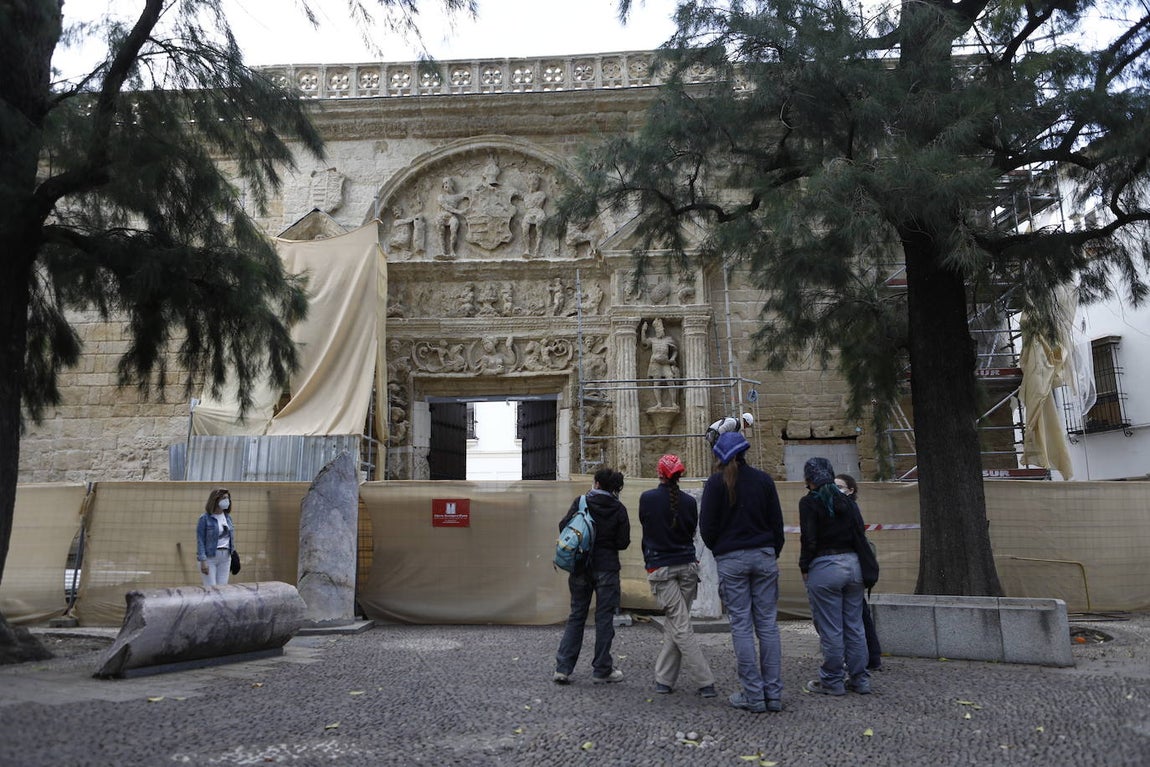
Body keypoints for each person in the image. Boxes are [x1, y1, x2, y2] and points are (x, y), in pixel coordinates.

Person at [700, 432, 786, 713]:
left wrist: (721, 550)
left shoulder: (715, 484)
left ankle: (753, 695)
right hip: (763, 555)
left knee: (741, 626)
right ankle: (773, 694)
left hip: (731, 558)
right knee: (768, 626)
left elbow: (707, 528)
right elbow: (777, 524)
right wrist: (771, 551)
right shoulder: (763, 481)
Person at [639, 454, 717, 698]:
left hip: (661, 569)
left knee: (680, 626)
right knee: (677, 622)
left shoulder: (647, 499)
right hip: (687, 568)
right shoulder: (689, 502)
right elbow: (693, 531)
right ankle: (663, 679)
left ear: (659, 473)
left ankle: (706, 682)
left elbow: (646, 526)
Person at [799, 457, 870, 696]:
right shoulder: (847, 502)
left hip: (825, 567)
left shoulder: (809, 502)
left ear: (809, 479)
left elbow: (809, 538)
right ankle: (860, 679)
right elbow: (860, 533)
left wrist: (804, 566)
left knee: (831, 628)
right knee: (855, 625)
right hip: (854, 566)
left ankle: (832, 680)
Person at [554, 468, 631, 685]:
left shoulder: (581, 502)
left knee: (577, 614)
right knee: (604, 618)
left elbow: (563, 526)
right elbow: (623, 542)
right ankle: (602, 669)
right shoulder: (619, 508)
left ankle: (563, 668)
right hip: (607, 568)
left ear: (596, 482)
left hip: (581, 566)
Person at [836, 473, 883, 671]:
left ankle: (867, 659)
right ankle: (869, 658)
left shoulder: (847, 509)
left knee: (857, 616)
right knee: (859, 615)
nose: (835, 489)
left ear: (851, 490)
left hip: (850, 568)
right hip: (852, 569)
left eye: (839, 486)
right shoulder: (847, 508)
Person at [196, 487, 236, 587]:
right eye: (224, 498)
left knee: (222, 589)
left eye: (228, 498)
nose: (227, 501)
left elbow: (229, 537)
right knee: (211, 589)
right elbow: (200, 540)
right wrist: (203, 560)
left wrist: (234, 554)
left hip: (226, 557)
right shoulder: (204, 518)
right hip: (210, 557)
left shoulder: (228, 517)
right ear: (215, 499)